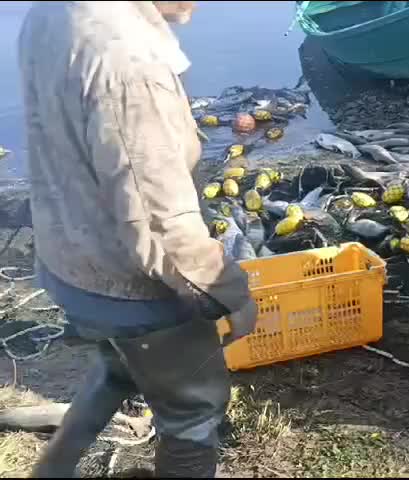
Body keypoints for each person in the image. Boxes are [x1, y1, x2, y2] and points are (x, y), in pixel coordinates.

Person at [18, 1, 257, 477]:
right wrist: (231, 294)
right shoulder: (130, 61)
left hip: (70, 260)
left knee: (115, 367)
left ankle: (51, 471)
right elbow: (159, 221)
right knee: (191, 416)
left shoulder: (55, 10)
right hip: (128, 285)